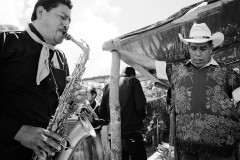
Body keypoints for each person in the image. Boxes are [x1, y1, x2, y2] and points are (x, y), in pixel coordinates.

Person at [104, 23, 240, 160]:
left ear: (211, 48)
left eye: (203, 48)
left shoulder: (227, 73)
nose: (198, 53)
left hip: (221, 151)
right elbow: (149, 62)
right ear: (189, 48)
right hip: (187, 150)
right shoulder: (176, 70)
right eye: (194, 48)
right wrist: (120, 51)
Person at [0, 0, 87, 159]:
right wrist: (19, 132)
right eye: (62, 17)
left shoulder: (61, 57)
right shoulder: (5, 42)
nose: (67, 24)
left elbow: (61, 105)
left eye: (69, 20)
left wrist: (73, 102)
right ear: (41, 12)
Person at [99, 67, 147, 160]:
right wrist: (140, 117)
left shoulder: (108, 86)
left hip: (114, 135)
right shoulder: (133, 81)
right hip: (132, 132)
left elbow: (102, 112)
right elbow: (141, 106)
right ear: (133, 75)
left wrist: (112, 119)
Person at [82, 87, 105, 160]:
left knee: (100, 156)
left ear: (94, 95)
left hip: (96, 133)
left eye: (87, 93)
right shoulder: (84, 106)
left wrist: (93, 120)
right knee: (87, 157)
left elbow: (104, 121)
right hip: (85, 134)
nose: (86, 95)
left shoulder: (99, 106)